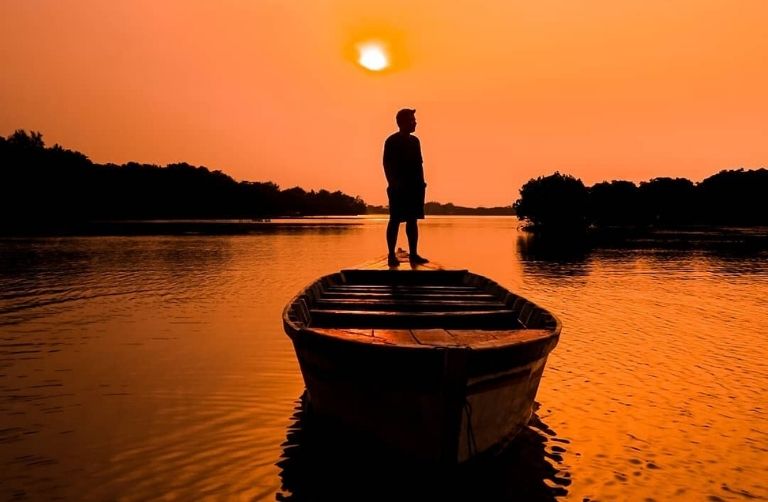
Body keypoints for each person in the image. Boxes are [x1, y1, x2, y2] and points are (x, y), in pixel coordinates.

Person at [383, 108, 428, 267]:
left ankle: (413, 254)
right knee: (394, 220)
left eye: (414, 120)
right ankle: (391, 255)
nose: (415, 122)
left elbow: (419, 164)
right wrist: (393, 183)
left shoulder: (415, 141)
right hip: (398, 188)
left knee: (412, 220)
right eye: (411, 120)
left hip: (415, 187)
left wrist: (422, 183)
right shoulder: (392, 141)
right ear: (402, 122)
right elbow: (386, 164)